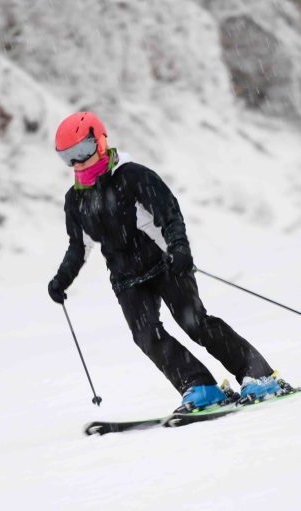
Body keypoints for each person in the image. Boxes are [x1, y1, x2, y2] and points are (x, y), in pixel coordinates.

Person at [47, 111, 287, 412]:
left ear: (100, 142)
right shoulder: (76, 200)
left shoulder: (132, 176)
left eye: (82, 152)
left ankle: (259, 375)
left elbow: (168, 213)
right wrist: (61, 280)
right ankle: (200, 386)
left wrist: (180, 248)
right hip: (126, 279)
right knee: (147, 337)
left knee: (195, 324)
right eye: (68, 157)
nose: (77, 163)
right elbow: (78, 246)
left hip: (165, 263)